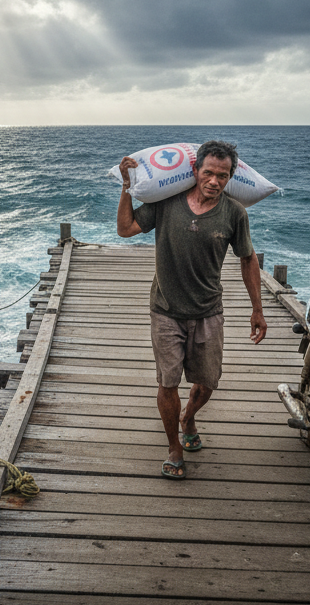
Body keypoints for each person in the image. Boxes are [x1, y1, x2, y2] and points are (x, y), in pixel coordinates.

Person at [117, 140, 267, 479]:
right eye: (209, 173)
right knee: (167, 382)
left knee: (208, 381)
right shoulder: (166, 203)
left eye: (223, 176)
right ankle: (174, 446)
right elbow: (125, 230)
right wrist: (127, 188)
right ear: (196, 171)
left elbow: (247, 259)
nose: (215, 181)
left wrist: (257, 309)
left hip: (208, 310)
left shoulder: (234, 213)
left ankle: (188, 416)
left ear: (230, 178)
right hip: (166, 309)